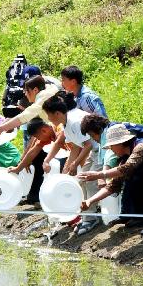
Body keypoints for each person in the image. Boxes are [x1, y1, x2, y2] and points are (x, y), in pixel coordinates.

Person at [41, 92, 102, 234]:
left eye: (48, 115)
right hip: (93, 151)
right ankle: (86, 215)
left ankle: (91, 218)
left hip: (101, 149)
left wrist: (75, 165)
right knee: (79, 180)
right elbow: (75, 147)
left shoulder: (74, 121)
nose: (48, 119)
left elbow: (87, 145)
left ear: (57, 113)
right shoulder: (66, 124)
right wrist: (66, 171)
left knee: (90, 181)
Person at [0, 75, 59, 143]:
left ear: (35, 90)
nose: (25, 94)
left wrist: (0, 129)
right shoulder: (49, 89)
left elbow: (23, 117)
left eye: (27, 91)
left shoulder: (43, 98)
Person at [9, 118, 58, 203]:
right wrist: (18, 168)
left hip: (74, 154)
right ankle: (36, 195)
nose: (37, 139)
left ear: (43, 130)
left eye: (37, 136)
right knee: (35, 159)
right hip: (59, 153)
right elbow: (32, 152)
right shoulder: (45, 134)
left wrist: (46, 161)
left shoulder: (59, 130)